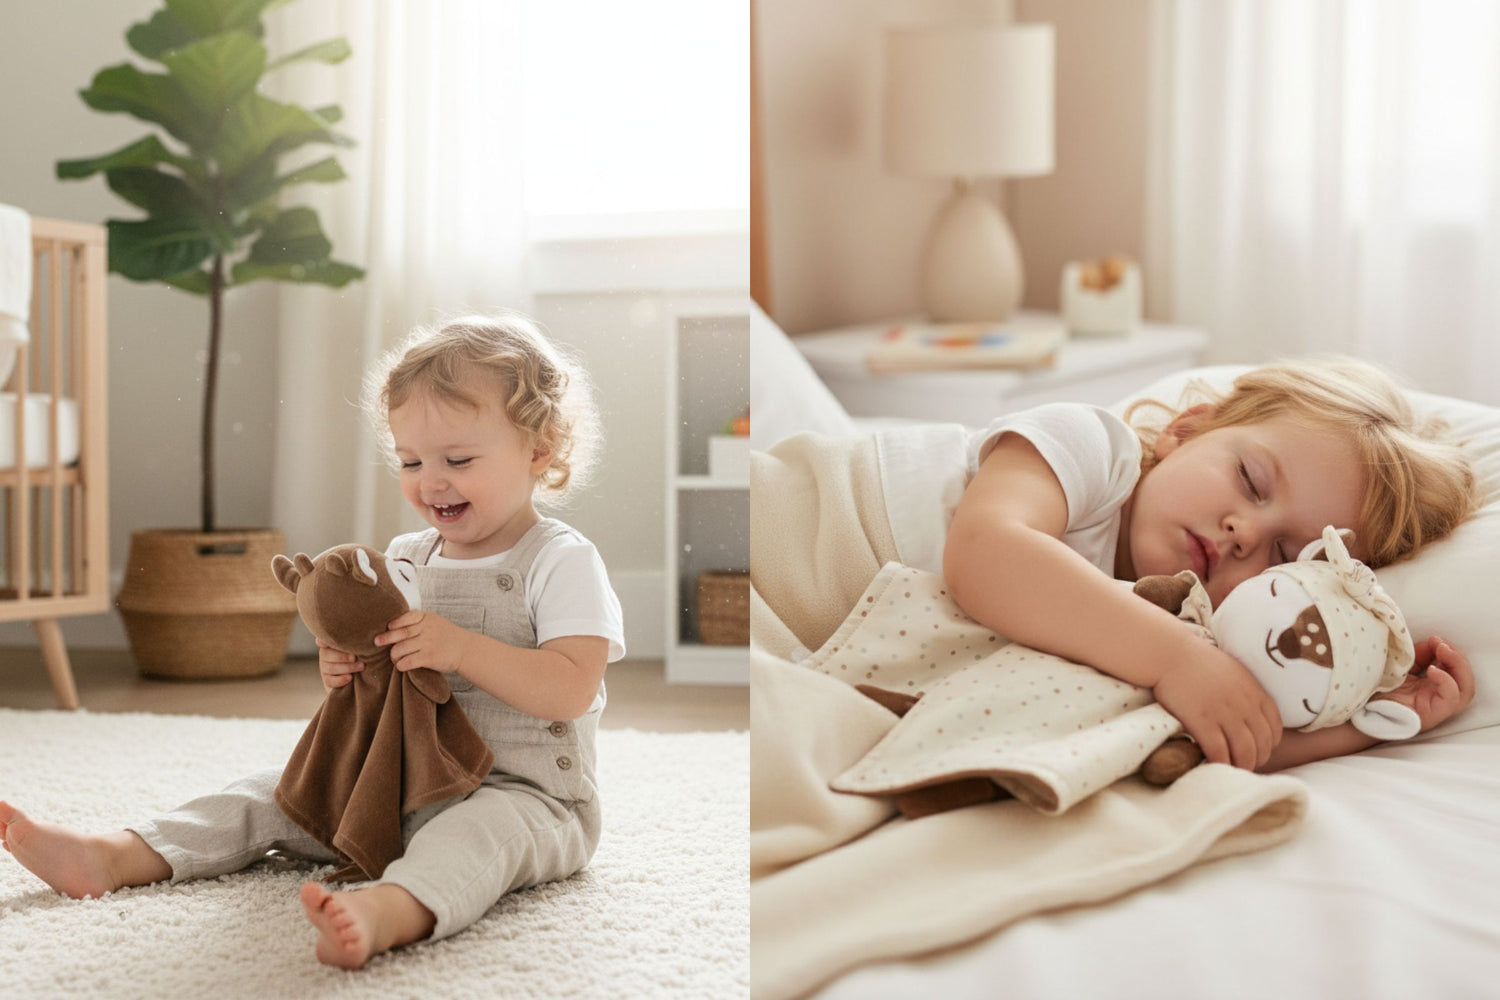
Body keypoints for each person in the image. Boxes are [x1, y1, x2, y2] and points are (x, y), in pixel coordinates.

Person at [0, 314, 624, 969]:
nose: (430, 480)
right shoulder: (408, 555)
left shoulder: (558, 559)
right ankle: (121, 854)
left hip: (525, 796)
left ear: (539, 449)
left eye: (458, 460)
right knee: (272, 794)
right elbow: (383, 676)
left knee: (474, 839)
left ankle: (390, 908)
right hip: (400, 782)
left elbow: (570, 688)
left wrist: (460, 649)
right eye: (411, 461)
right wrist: (347, 665)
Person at [938, 358, 1477, 774]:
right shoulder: (1092, 451)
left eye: (1286, 556)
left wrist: (1377, 724)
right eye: (1251, 481)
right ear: (1188, 429)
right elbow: (984, 551)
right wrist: (1176, 661)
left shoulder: (1193, 629)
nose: (1246, 533)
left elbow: (1223, 736)